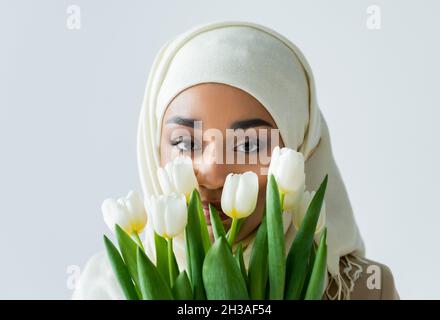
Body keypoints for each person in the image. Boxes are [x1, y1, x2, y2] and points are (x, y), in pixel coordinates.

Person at [73, 21, 399, 300]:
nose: (212, 173)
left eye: (248, 145)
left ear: (301, 150)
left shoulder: (361, 289)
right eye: (185, 142)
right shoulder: (107, 287)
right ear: (152, 148)